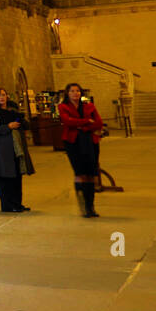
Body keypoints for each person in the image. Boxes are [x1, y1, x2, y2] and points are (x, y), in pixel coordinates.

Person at [57, 82, 103, 218]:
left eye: (77, 91)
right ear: (67, 93)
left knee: (91, 173)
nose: (75, 93)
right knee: (80, 172)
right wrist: (87, 121)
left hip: (90, 142)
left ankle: (91, 207)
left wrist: (83, 126)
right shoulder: (63, 106)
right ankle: (83, 206)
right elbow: (67, 122)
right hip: (73, 143)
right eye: (72, 91)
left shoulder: (89, 106)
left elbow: (99, 122)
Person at [0, 87, 34, 213]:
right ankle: (7, 205)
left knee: (17, 175)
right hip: (1, 149)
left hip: (15, 147)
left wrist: (20, 121)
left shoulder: (13, 110)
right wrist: (8, 126)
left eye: (4, 95)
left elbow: (24, 124)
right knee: (4, 177)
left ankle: (17, 204)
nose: (2, 97)